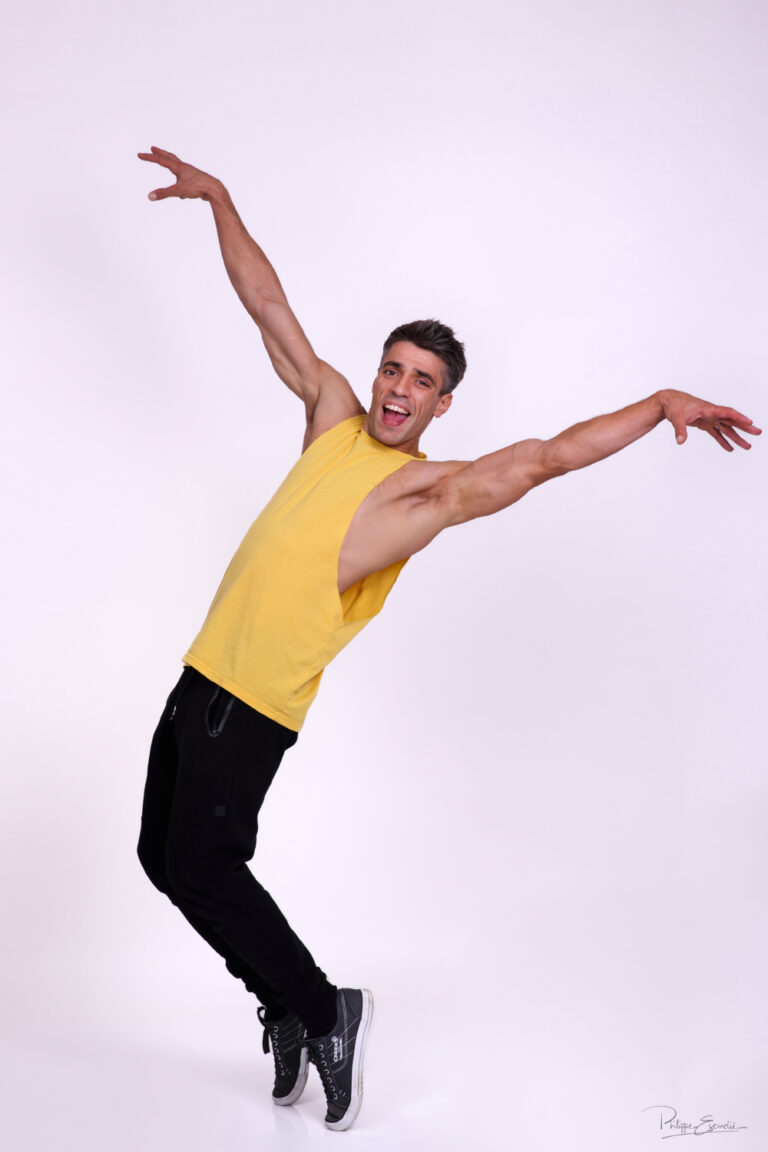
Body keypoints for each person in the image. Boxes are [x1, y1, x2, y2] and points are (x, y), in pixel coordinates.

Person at [135, 145, 760, 1132]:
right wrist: (220, 198)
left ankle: (322, 1007)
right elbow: (268, 307)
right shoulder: (332, 420)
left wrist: (658, 406)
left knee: (201, 865)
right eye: (392, 367)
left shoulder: (427, 491)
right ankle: (289, 1004)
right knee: (161, 858)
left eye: (419, 382)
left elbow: (547, 458)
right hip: (200, 678)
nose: (395, 390)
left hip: (251, 706)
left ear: (441, 404)